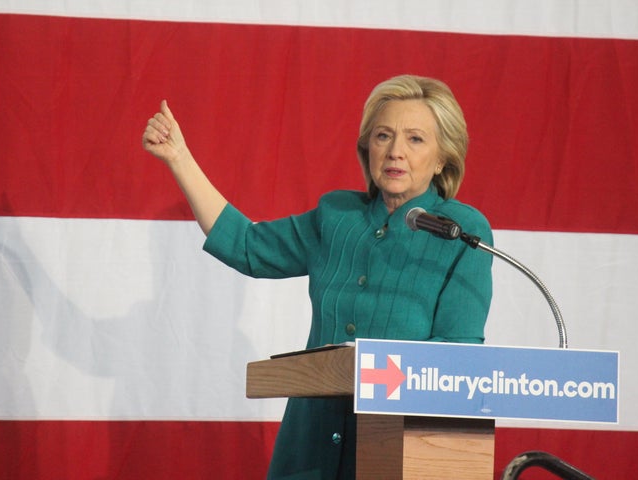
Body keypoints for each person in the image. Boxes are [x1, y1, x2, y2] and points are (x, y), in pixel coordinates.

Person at [142, 74, 493, 479]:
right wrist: (179, 157)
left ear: (441, 158)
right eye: (383, 136)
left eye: (415, 139)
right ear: (367, 147)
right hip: (311, 444)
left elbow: (458, 352)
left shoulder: (462, 232)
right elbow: (247, 246)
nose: (395, 151)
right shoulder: (337, 217)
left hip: (402, 450)